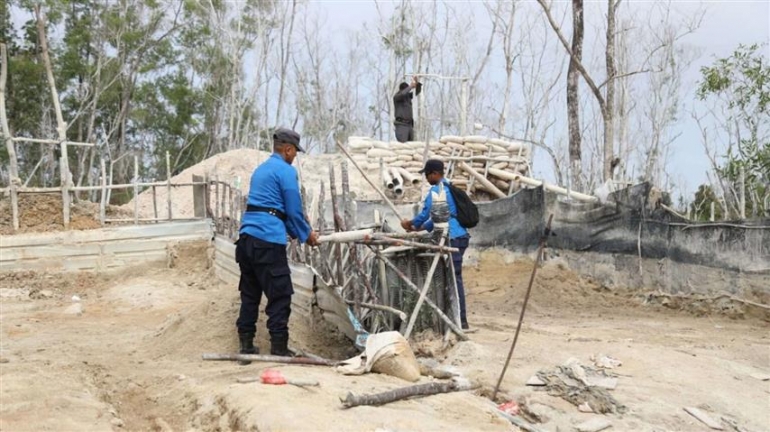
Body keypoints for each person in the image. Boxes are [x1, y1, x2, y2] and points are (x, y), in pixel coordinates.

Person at [235, 128, 319, 363]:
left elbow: (273, 209)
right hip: (267, 239)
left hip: (246, 238)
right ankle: (279, 348)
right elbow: (292, 210)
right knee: (280, 294)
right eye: (294, 153)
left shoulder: (261, 170)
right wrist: (307, 235)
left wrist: (296, 231)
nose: (294, 158)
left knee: (250, 293)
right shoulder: (285, 171)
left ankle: (246, 346)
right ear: (288, 149)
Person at [400, 159, 471, 330]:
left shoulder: (437, 190)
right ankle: (456, 317)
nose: (426, 177)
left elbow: (426, 214)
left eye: (427, 174)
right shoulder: (450, 188)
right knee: (453, 277)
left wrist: (410, 224)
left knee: (454, 279)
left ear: (435, 174)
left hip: (452, 237)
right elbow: (438, 217)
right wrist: (419, 228)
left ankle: (461, 320)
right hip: (460, 236)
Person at [393, 76, 422, 143]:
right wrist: (410, 87)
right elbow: (403, 94)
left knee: (411, 147)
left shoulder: (408, 98)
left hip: (409, 125)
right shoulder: (397, 97)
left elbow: (417, 92)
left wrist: (417, 83)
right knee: (403, 145)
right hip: (401, 125)